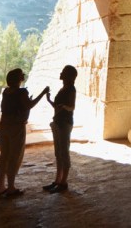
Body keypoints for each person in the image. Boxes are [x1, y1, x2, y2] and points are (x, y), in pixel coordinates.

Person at [0, 68, 49, 198]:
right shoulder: (22, 92)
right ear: (19, 79)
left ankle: (1, 187)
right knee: (14, 156)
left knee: (4, 157)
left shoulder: (6, 92)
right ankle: (11, 188)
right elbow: (29, 105)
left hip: (4, 126)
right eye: (21, 76)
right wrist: (43, 93)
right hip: (17, 127)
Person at [43, 65, 77, 193]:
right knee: (58, 153)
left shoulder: (71, 89)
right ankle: (58, 180)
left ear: (68, 75)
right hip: (58, 122)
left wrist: (64, 107)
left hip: (65, 123)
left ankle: (63, 182)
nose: (60, 73)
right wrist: (49, 100)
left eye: (63, 72)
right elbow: (58, 107)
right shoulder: (64, 88)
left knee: (64, 153)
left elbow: (72, 107)